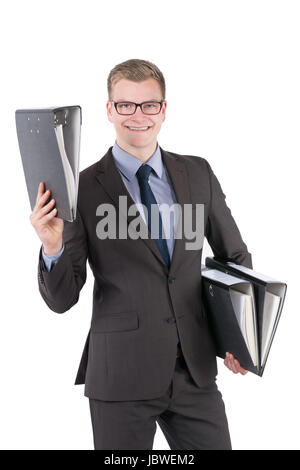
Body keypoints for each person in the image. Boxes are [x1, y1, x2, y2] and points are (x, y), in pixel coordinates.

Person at [30, 58, 251, 450]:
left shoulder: (198, 173)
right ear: (110, 110)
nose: (138, 116)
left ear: (163, 109)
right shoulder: (82, 188)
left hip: (194, 372)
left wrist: (237, 337)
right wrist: (52, 245)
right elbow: (63, 299)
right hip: (121, 376)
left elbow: (233, 258)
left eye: (149, 104)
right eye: (126, 105)